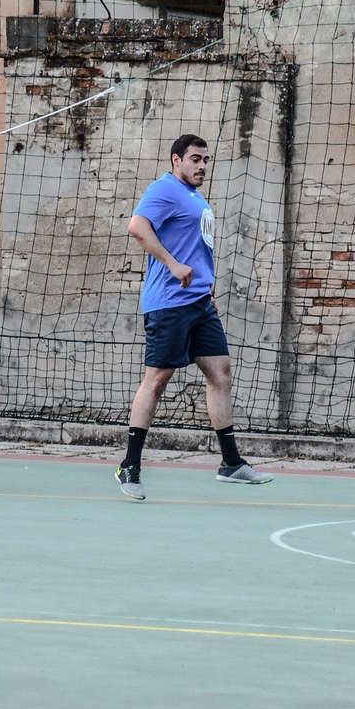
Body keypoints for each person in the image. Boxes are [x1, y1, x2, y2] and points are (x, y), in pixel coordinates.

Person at [116, 133, 273, 501]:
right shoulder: (164, 189)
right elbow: (137, 227)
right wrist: (172, 264)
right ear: (177, 160)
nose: (202, 166)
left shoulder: (196, 198)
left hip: (200, 303)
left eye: (205, 160)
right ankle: (129, 465)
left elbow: (195, 251)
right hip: (169, 303)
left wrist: (206, 291)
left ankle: (231, 463)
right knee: (157, 380)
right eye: (195, 159)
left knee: (220, 373)